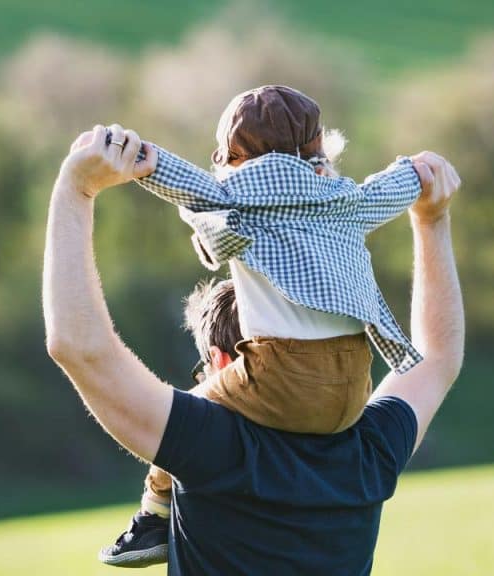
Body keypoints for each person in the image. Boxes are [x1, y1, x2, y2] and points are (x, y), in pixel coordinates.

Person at [43, 122, 463, 574]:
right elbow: (438, 356)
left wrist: (77, 188)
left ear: (223, 361)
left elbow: (80, 348)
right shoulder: (367, 450)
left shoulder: (212, 445)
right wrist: (432, 219)